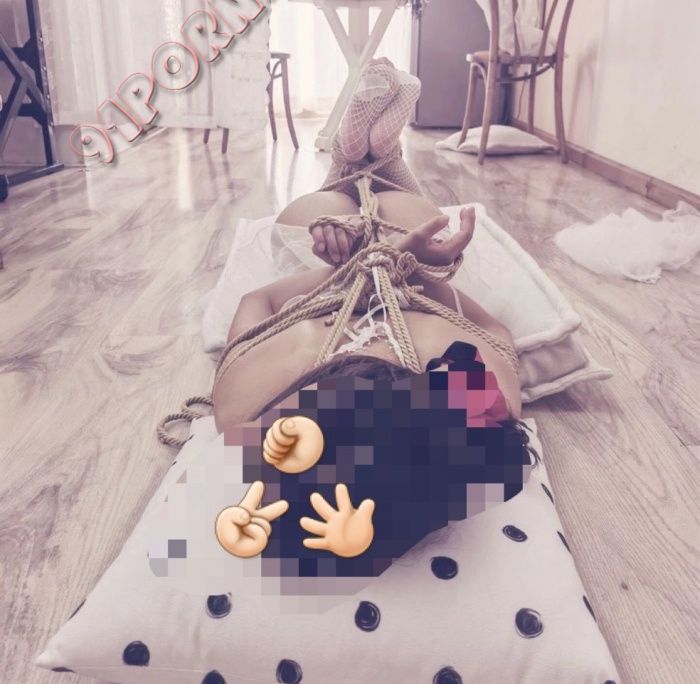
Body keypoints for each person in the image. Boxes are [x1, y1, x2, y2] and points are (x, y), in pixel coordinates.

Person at [199, 59, 533, 575]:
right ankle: (385, 157)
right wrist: (412, 267)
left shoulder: (251, 412)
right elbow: (493, 331)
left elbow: (256, 304)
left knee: (322, 206)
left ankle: (348, 160)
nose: (369, 352)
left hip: (320, 262)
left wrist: (346, 265)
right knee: (406, 208)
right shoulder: (471, 404)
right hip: (409, 265)